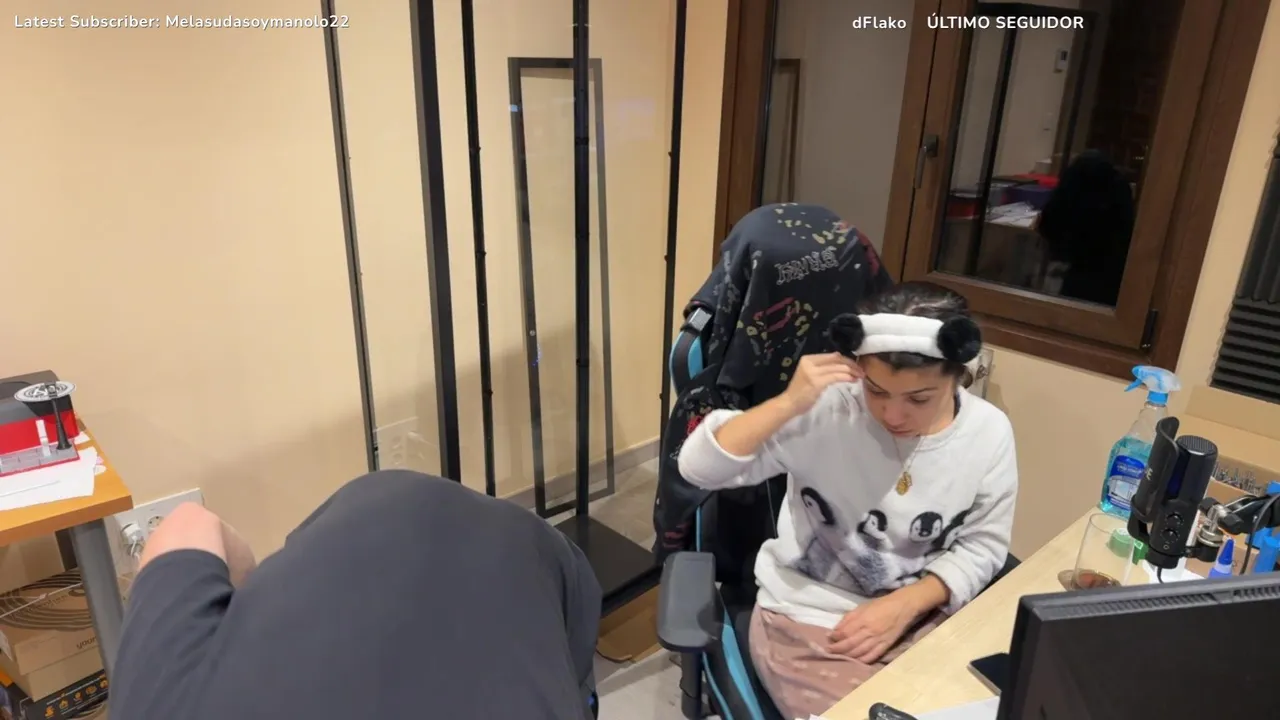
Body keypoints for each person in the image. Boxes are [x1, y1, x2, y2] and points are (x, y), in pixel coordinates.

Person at [677, 281, 1018, 719]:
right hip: (811, 622)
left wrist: (910, 602)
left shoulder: (988, 432)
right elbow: (697, 468)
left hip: (926, 618)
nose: (893, 415)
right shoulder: (830, 410)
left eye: (919, 398)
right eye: (876, 391)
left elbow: (983, 545)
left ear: (958, 375)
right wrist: (787, 403)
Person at [109, 470, 602, 719]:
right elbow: (187, 527)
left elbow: (187, 523)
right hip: (520, 557)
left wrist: (254, 607)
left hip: (394, 516)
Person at [1036, 149, 1136, 306]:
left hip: (1076, 270)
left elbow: (1048, 225)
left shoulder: (1071, 184)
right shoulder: (1117, 186)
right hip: (1112, 275)